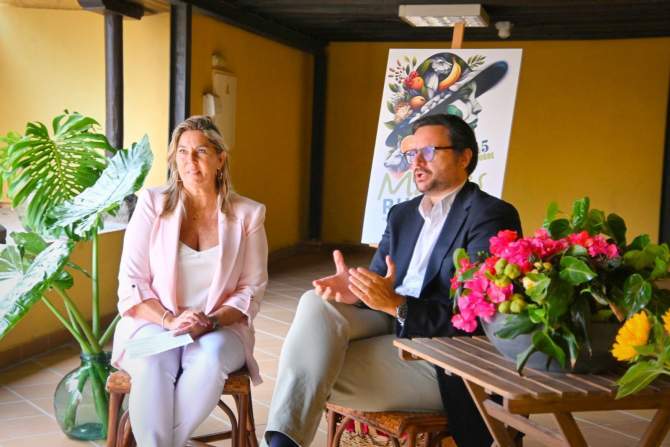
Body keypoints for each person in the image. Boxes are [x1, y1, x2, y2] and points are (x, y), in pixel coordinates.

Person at [263, 113, 521, 447]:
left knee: (308, 369)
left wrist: (398, 306)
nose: (417, 162)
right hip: (391, 324)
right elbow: (380, 281)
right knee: (315, 304)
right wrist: (356, 290)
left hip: (444, 356)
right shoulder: (403, 214)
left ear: (464, 157)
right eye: (412, 153)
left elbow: (477, 318)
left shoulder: (491, 215)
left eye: (428, 151)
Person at [111, 115, 268, 447]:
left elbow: (251, 290)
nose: (190, 161)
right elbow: (132, 281)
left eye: (201, 152)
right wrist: (170, 320)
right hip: (155, 321)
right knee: (152, 364)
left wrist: (210, 321)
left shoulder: (248, 214)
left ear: (220, 159)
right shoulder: (152, 204)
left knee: (210, 360)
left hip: (220, 327)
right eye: (182, 152)